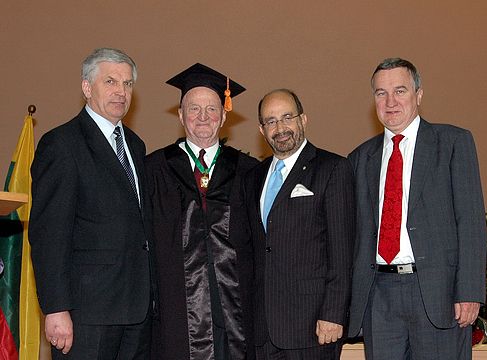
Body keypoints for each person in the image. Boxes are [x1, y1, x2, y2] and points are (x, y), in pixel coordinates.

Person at [347, 57, 486, 360]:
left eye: (400, 90)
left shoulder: (452, 143)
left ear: (419, 95)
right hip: (379, 297)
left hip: (438, 295)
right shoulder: (359, 158)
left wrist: (470, 292)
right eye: (381, 93)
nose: (390, 101)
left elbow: (471, 221)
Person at [29, 48, 154, 359]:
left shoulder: (136, 146)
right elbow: (49, 235)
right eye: (110, 81)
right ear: (87, 87)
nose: (120, 92)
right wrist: (56, 309)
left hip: (136, 312)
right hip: (87, 315)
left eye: (127, 84)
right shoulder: (61, 144)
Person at [145, 63, 258, 360]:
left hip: (236, 307)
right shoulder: (154, 169)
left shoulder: (249, 171)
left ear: (223, 116)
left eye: (211, 109)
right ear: (181, 115)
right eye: (194, 109)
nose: (203, 117)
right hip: (176, 310)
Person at [242, 89, 355, 359]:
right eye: (270, 121)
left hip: (313, 328)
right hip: (263, 330)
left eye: (287, 117)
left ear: (303, 120)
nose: (280, 128)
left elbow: (342, 253)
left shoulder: (332, 169)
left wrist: (333, 314)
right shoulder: (253, 177)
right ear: (261, 129)